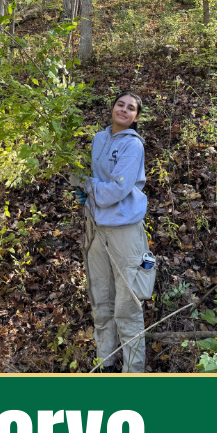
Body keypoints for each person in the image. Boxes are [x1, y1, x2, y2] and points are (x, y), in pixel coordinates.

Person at [74, 92, 151, 373]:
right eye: (120, 104)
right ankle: (106, 362)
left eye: (131, 108)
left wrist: (88, 186)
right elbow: (86, 179)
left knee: (127, 306)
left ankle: (133, 371)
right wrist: (84, 191)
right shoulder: (98, 139)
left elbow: (115, 191)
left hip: (124, 233)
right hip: (95, 229)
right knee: (100, 297)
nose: (124, 109)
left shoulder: (133, 146)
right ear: (112, 106)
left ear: (136, 117)